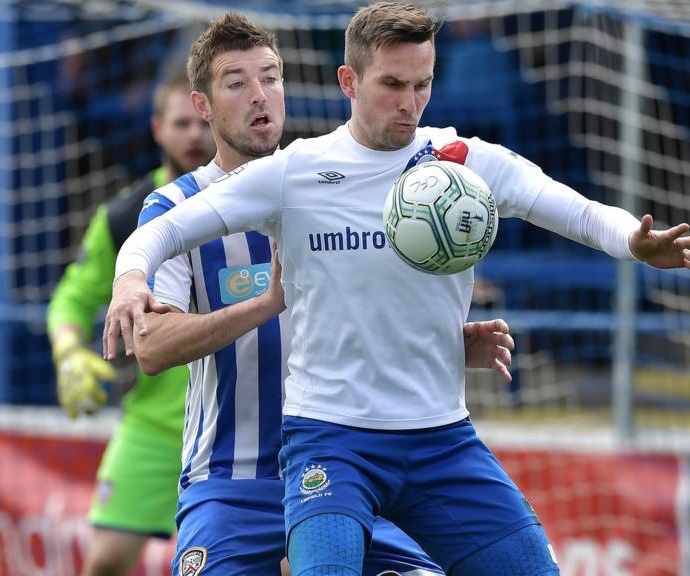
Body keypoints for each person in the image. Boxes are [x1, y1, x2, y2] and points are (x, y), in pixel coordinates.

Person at [105, 3, 690, 574]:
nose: (410, 102)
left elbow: (577, 212)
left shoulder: (461, 163)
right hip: (328, 439)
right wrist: (131, 278)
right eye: (392, 85)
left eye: (421, 84)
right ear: (348, 81)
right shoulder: (296, 174)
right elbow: (163, 231)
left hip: (440, 437)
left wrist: (631, 241)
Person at [125, 13, 517, 575]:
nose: (260, 96)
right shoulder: (173, 209)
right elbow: (153, 347)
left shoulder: (340, 180)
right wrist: (265, 304)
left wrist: (445, 342)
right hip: (234, 484)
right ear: (204, 105)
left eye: (271, 78)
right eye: (237, 83)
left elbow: (365, 310)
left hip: (354, 469)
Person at [46, 76, 213, 576]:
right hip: (155, 428)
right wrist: (69, 353)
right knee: (104, 562)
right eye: (182, 123)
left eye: (204, 122)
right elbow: (71, 300)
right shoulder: (123, 217)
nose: (195, 135)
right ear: (158, 129)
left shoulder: (258, 199)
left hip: (238, 420)